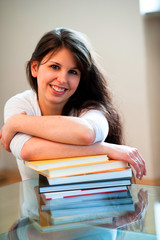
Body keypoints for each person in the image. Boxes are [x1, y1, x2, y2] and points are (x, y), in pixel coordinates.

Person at [0, 28, 146, 181]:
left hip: (86, 201)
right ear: (35, 68)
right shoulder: (19, 104)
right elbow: (28, 151)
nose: (63, 79)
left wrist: (18, 122)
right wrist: (105, 148)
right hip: (35, 204)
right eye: (55, 67)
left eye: (73, 72)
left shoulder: (91, 107)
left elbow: (86, 134)